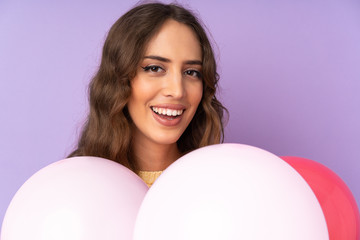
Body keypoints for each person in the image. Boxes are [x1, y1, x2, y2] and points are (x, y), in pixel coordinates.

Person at [68, 2, 227, 187]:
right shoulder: (77, 182)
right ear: (119, 79)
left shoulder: (218, 183)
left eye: (191, 72)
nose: (177, 91)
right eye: (154, 68)